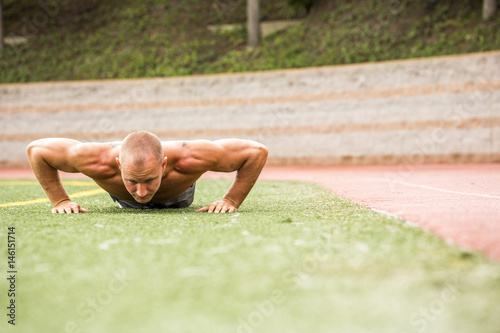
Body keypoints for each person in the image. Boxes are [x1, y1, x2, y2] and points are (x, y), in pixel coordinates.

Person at [27, 131, 268, 214]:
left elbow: (256, 151)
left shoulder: (192, 156)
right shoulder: (94, 159)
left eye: (150, 179)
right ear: (119, 165)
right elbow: (37, 150)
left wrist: (231, 199)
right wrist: (60, 200)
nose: (141, 192)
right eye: (132, 181)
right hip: (122, 201)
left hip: (179, 197)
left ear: (163, 165)